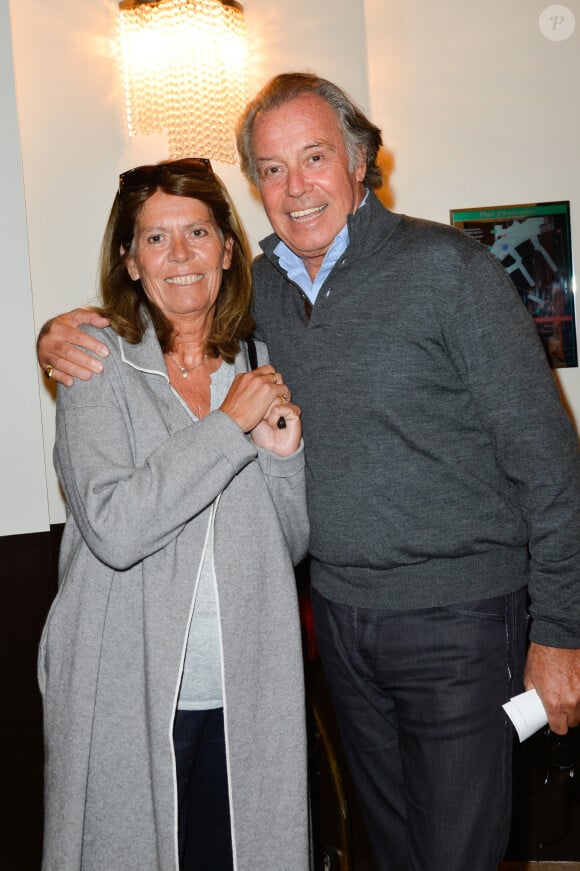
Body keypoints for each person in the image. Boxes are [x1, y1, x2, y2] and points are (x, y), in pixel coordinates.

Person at [37, 74, 580, 871]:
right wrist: (57, 332)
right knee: (389, 850)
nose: (295, 188)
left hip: (460, 620)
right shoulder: (260, 305)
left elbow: (551, 461)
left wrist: (561, 633)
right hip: (341, 627)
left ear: (361, 163)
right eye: (272, 168)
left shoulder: (449, 271)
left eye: (314, 157)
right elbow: (170, 308)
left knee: (460, 853)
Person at [37, 157, 310, 871]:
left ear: (227, 247)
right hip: (125, 686)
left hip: (245, 690)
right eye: (156, 240)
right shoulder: (96, 365)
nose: (181, 255)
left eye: (197, 232)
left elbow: (288, 544)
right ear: (128, 262)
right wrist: (228, 429)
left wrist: (282, 456)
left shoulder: (256, 362)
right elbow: (116, 526)